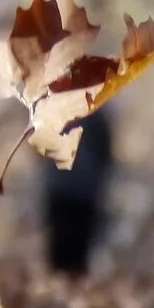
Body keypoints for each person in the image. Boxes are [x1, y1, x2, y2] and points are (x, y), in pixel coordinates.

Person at [42, 112, 112, 276]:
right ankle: (71, 284)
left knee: (61, 247)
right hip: (83, 192)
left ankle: (61, 285)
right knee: (78, 250)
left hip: (61, 189)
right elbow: (105, 152)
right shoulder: (97, 115)